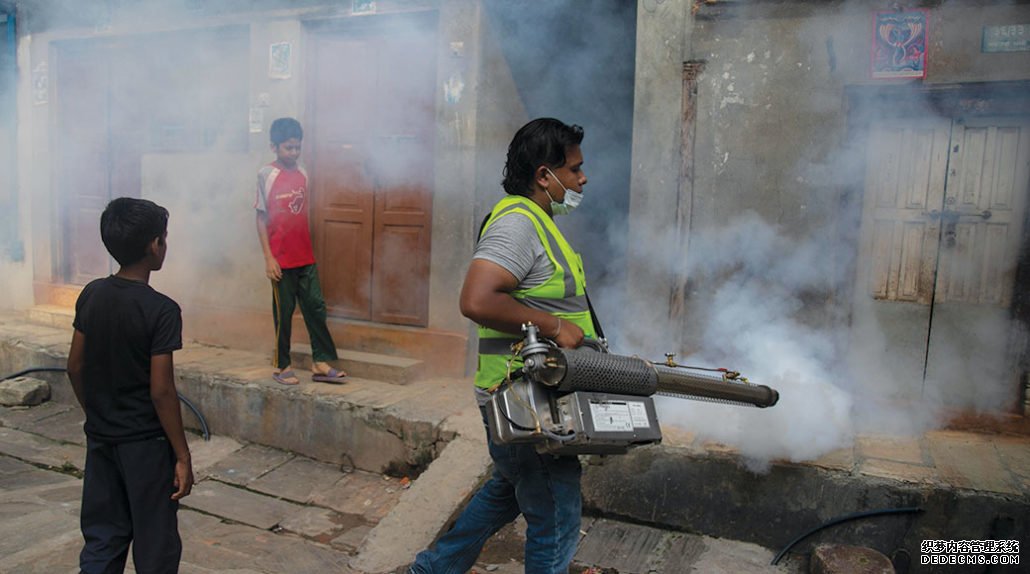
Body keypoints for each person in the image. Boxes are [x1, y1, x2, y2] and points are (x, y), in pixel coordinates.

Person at [410, 118, 595, 573]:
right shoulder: (518, 224)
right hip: (523, 398)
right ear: (544, 176)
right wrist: (553, 326)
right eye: (574, 169)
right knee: (554, 514)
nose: (582, 178)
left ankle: (432, 569)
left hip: (528, 392)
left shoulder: (539, 220)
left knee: (507, 490)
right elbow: (476, 300)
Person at [67, 197, 194, 574]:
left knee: (103, 538)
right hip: (147, 448)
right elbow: (162, 391)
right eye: (164, 239)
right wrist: (182, 455)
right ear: (154, 246)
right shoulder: (162, 310)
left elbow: (75, 366)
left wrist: (96, 412)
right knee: (155, 544)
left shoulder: (92, 294)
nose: (165, 246)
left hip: (103, 437)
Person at [255, 117, 346, 385]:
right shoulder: (266, 175)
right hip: (280, 260)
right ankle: (282, 365)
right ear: (274, 147)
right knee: (283, 313)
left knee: (316, 307)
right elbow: (261, 217)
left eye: (297, 147)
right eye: (288, 148)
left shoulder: (304, 173)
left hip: (305, 256)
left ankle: (320, 362)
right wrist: (268, 258)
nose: (294, 153)